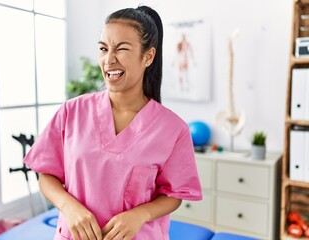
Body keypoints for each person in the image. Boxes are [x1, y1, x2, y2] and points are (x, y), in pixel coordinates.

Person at [24, 5, 202, 240]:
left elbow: (174, 194)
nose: (109, 59)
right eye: (103, 48)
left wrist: (140, 215)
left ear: (148, 56)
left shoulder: (173, 129)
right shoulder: (72, 111)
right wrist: (69, 207)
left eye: (122, 48)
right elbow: (46, 175)